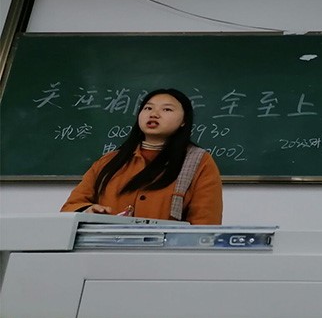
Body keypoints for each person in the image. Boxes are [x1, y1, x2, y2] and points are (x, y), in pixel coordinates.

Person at [61, 88, 223, 224]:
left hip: (166, 251)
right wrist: (87, 211)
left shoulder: (198, 162)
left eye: (167, 109)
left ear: (184, 121)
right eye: (148, 108)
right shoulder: (110, 160)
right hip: (108, 248)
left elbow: (205, 223)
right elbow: (71, 206)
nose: (154, 114)